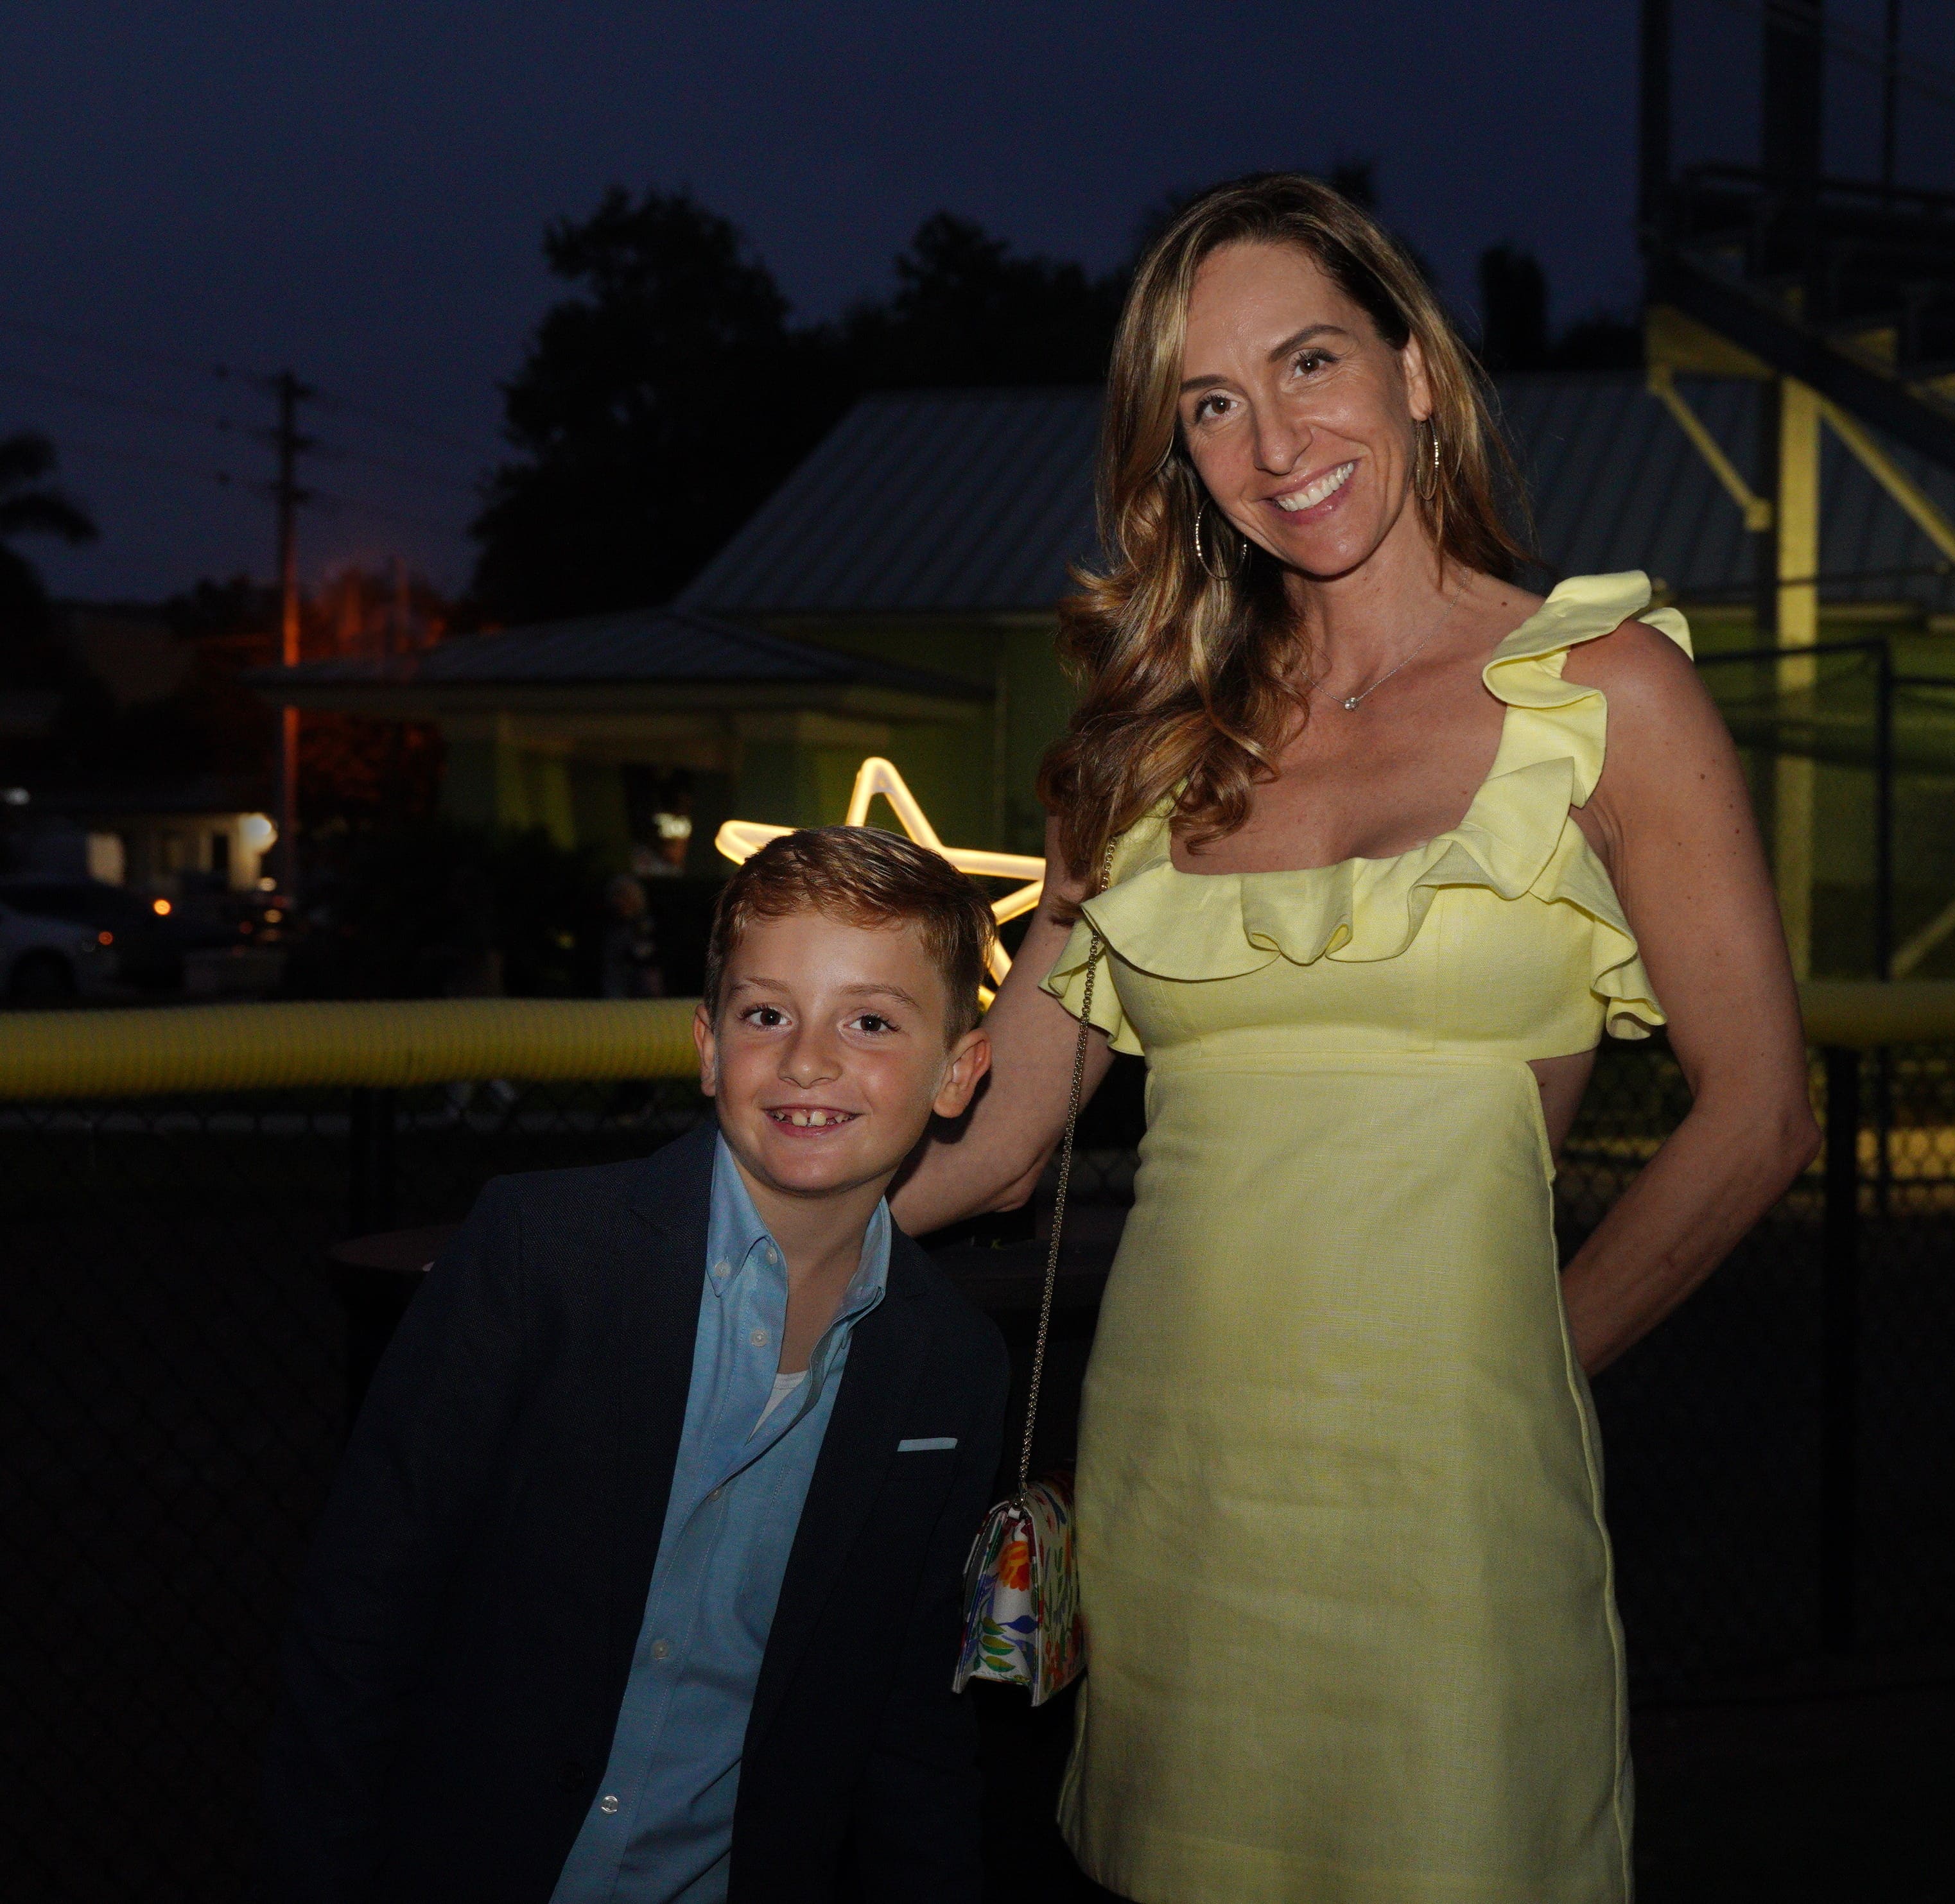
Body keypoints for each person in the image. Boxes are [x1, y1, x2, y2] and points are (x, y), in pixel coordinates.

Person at [891, 175, 1821, 1902]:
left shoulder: (1605, 691)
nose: (1272, 442)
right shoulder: (1149, 745)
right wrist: (729, 1231)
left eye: (1308, 361)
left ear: (1415, 367)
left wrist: (1532, 1360)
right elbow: (1005, 1132)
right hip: (1175, 1492)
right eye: (1210, 404)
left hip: (1454, 1505)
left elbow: (1761, 1112)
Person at [265, 827, 1010, 1903]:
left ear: (958, 1072)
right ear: (708, 1047)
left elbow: (908, 1722)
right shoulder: (542, 1258)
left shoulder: (948, 1365)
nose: (808, 1060)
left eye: (871, 1021)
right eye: (767, 1015)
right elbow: (359, 1618)